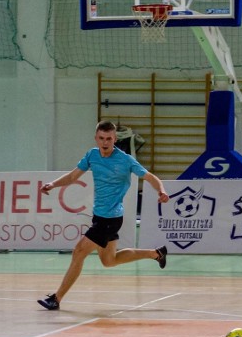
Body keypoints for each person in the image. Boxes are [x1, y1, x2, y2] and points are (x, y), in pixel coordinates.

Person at [37, 120, 170, 311]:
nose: (105, 142)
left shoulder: (125, 160)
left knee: (79, 251)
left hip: (111, 218)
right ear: (96, 138)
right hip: (99, 216)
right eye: (101, 138)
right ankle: (155, 253)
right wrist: (52, 184)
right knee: (109, 260)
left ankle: (56, 298)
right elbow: (73, 176)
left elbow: (150, 177)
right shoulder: (92, 155)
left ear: (115, 139)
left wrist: (161, 191)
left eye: (109, 139)